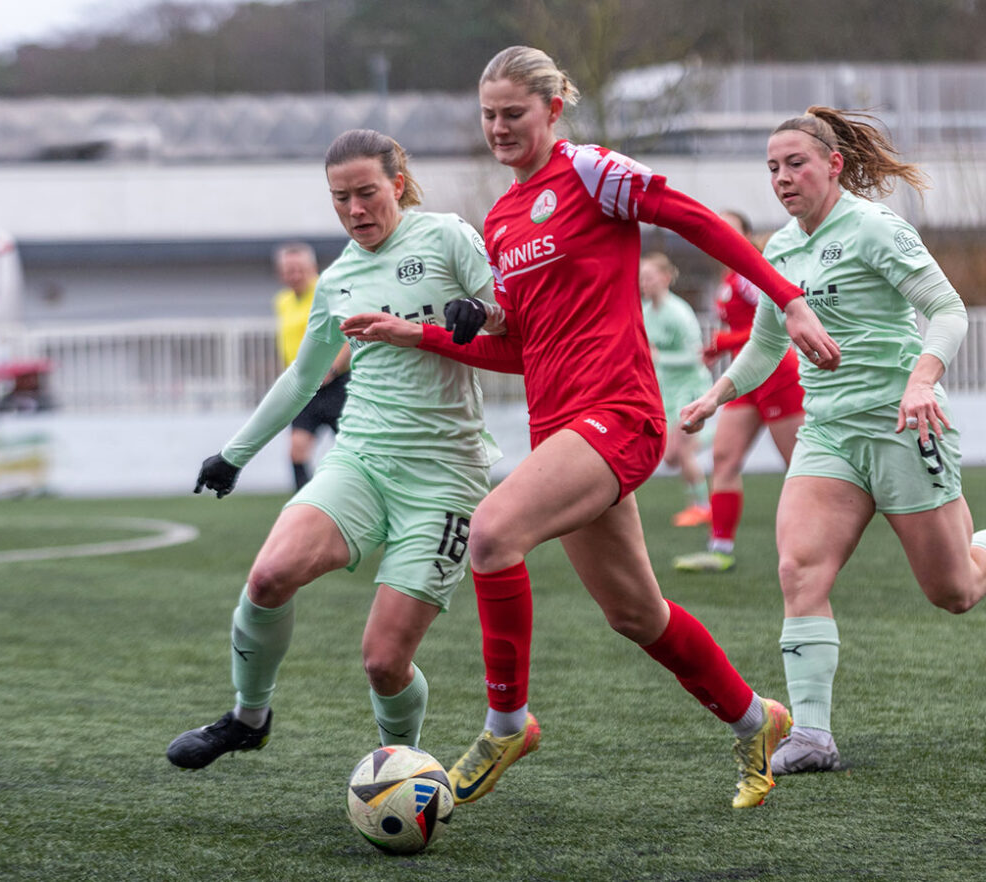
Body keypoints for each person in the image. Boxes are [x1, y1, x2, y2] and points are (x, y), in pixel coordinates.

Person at [341, 46, 841, 810]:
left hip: (621, 416)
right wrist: (425, 334)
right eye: (489, 115)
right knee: (637, 614)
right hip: (564, 433)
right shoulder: (503, 220)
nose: (500, 127)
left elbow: (697, 220)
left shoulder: (590, 171)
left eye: (515, 113)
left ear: (552, 109)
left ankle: (507, 721)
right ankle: (758, 718)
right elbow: (521, 348)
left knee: (492, 533)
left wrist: (788, 297)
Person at [678, 106, 986, 775]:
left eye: (796, 164)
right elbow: (763, 347)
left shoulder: (873, 228)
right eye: (772, 168)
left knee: (952, 590)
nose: (782, 178)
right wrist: (716, 394)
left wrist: (923, 380)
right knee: (798, 569)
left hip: (904, 425)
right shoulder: (777, 250)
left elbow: (948, 310)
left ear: (833, 164)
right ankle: (812, 735)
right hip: (829, 434)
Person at [168, 129, 504, 769]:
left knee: (384, 662)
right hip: (361, 460)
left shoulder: (447, 237)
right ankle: (248, 716)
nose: (355, 210)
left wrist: (477, 310)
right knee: (268, 576)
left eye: (367, 193)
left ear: (397, 186)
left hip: (444, 478)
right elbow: (302, 375)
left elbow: (507, 311)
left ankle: (399, 769)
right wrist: (234, 454)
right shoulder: (339, 277)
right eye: (340, 198)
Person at [674, 210, 806, 573]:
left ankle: (814, 547)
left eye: (729, 229)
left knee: (802, 469)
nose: (719, 235)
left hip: (777, 376)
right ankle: (720, 548)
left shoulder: (751, 275)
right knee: (724, 459)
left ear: (746, 235)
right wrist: (720, 347)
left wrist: (723, 341)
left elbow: (779, 323)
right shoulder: (729, 276)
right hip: (745, 381)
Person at [638, 252, 712, 527]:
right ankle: (698, 503)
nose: (644, 282)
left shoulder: (679, 313)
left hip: (692, 388)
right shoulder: (645, 312)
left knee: (682, 451)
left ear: (666, 278)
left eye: (650, 276)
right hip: (667, 393)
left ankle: (702, 506)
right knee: (669, 456)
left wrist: (660, 358)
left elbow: (697, 356)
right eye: (642, 277)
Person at [272, 242, 352, 490]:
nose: (293, 275)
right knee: (297, 450)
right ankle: (305, 505)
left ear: (313, 267)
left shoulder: (328, 292)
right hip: (304, 386)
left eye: (299, 269)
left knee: (353, 450)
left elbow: (350, 336)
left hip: (336, 384)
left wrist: (333, 369)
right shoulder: (282, 301)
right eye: (288, 270)